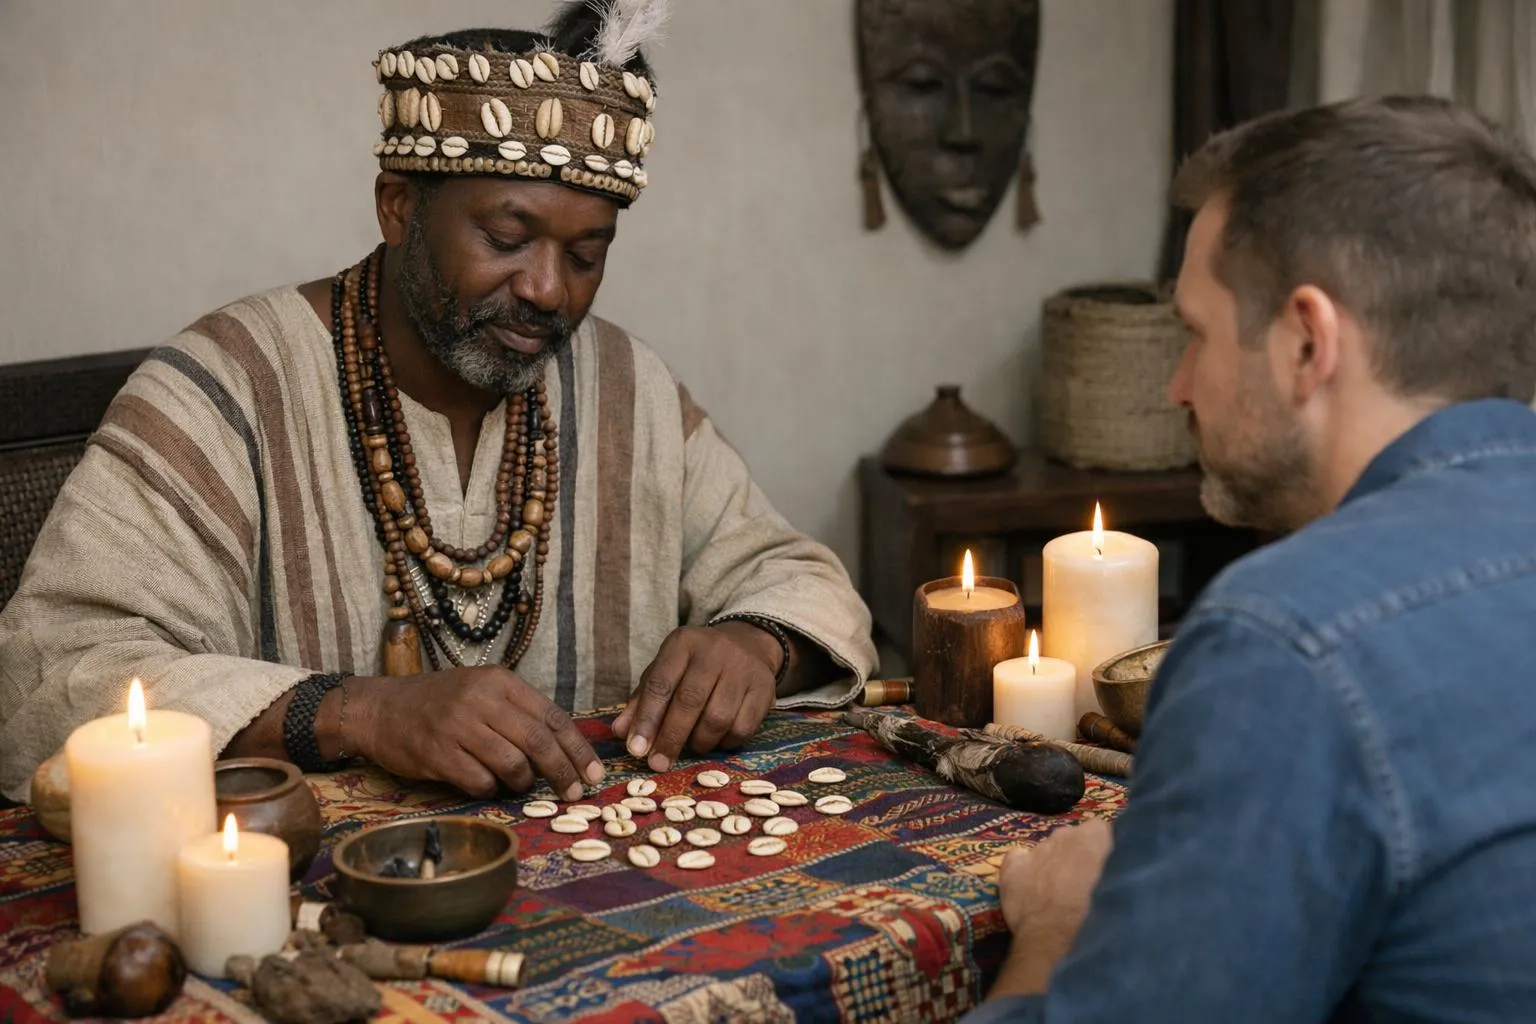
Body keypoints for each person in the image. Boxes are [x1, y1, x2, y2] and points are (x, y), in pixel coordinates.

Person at [0, 1, 877, 804]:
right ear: (396, 206)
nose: (546, 289)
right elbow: (57, 671)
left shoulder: (626, 389)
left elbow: (795, 577)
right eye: (505, 237)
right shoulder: (228, 388)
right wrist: (363, 715)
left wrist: (756, 642)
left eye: (586, 255)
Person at [966, 95, 1536, 1022]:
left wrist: (1058, 932)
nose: (1177, 386)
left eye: (1194, 332)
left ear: (1307, 342)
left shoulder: (1284, 643)